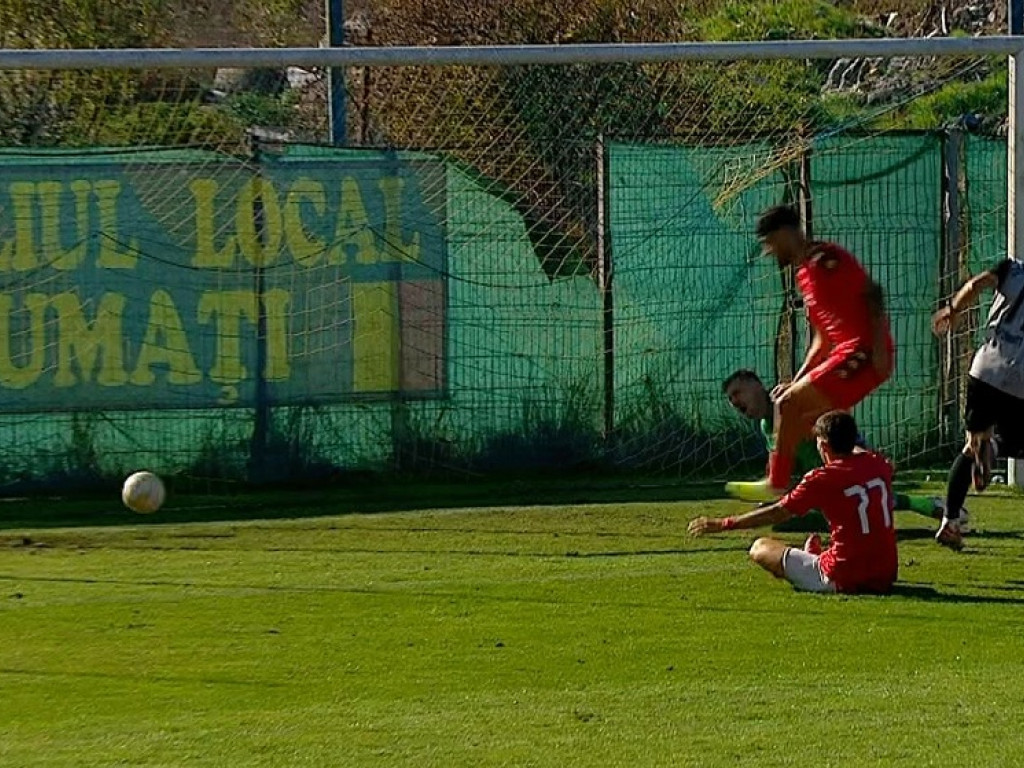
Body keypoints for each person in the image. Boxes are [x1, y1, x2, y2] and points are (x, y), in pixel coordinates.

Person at [726, 206, 895, 502]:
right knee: (806, 425)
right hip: (845, 355)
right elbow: (821, 340)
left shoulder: (826, 260)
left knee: (788, 405)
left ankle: (776, 483)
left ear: (785, 233)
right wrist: (797, 381)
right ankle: (868, 483)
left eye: (769, 243)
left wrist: (879, 349)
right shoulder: (804, 274)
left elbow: (873, 294)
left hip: (863, 353)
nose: (768, 252)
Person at [721, 368, 968, 532]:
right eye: (731, 401)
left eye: (737, 393)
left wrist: (868, 458)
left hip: (844, 462)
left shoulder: (789, 401)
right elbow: (781, 464)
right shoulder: (766, 425)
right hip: (822, 478)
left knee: (857, 500)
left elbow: (834, 422)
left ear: (756, 384)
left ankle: (931, 506)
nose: (735, 402)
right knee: (787, 519)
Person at [690, 411, 898, 595]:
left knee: (760, 547)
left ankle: (811, 558)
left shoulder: (821, 478)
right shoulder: (878, 463)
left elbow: (778, 512)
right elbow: (873, 460)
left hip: (841, 575)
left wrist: (724, 523)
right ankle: (815, 556)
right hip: (885, 574)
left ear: (824, 445)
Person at [930, 256, 1024, 550]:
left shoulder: (1012, 269)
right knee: (1013, 441)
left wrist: (954, 309)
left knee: (971, 446)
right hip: (1020, 378)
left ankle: (950, 522)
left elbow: (975, 285)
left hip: (984, 368)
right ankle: (993, 448)